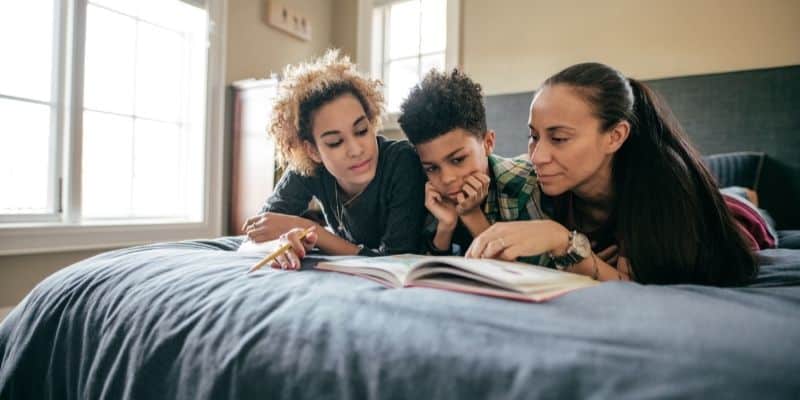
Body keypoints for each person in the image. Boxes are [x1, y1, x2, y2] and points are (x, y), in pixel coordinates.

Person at [466, 62, 761, 286]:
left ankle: (744, 194)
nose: (537, 156)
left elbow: (648, 289)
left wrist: (562, 240)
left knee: (739, 203)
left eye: (559, 139)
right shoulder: (543, 185)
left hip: (742, 219)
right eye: (534, 136)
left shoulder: (662, 193)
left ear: (615, 136)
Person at [241, 50, 426, 270]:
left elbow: (395, 261)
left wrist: (312, 231)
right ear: (313, 151)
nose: (356, 150)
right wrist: (282, 243)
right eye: (335, 142)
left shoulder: (403, 162)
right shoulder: (310, 168)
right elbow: (258, 233)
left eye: (361, 130)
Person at [397, 69, 547, 257]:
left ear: (488, 143)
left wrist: (471, 214)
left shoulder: (526, 182)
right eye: (432, 168)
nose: (447, 178)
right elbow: (428, 276)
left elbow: (526, 278)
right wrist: (446, 227)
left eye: (458, 159)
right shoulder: (428, 194)